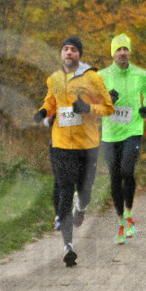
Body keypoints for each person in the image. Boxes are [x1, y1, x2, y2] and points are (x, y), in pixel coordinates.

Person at [35, 36, 113, 265]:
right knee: (65, 188)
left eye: (73, 50)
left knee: (85, 190)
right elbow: (51, 101)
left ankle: (82, 206)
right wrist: (42, 112)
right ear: (61, 54)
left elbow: (108, 107)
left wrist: (88, 108)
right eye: (65, 49)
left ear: (79, 54)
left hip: (87, 144)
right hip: (61, 144)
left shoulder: (93, 78)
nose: (69, 53)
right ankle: (68, 245)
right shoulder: (54, 78)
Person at [100, 33, 146, 245]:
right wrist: (107, 100)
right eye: (118, 49)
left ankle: (129, 214)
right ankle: (121, 221)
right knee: (114, 176)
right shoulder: (102, 76)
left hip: (133, 130)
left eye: (125, 49)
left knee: (127, 170)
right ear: (113, 53)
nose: (122, 53)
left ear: (129, 52)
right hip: (110, 133)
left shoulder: (141, 74)